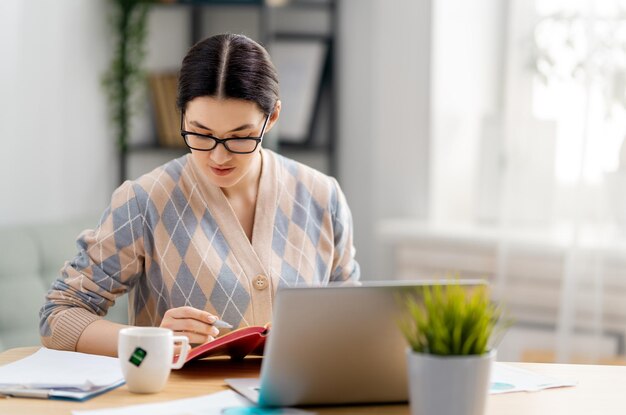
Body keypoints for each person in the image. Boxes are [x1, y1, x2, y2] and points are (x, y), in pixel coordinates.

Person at [39, 33, 360, 357]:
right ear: (181, 114)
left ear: (272, 117)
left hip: (299, 402)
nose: (218, 157)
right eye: (201, 133)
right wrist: (152, 342)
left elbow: (353, 318)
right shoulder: (144, 201)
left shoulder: (322, 196)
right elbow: (59, 317)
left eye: (241, 137)